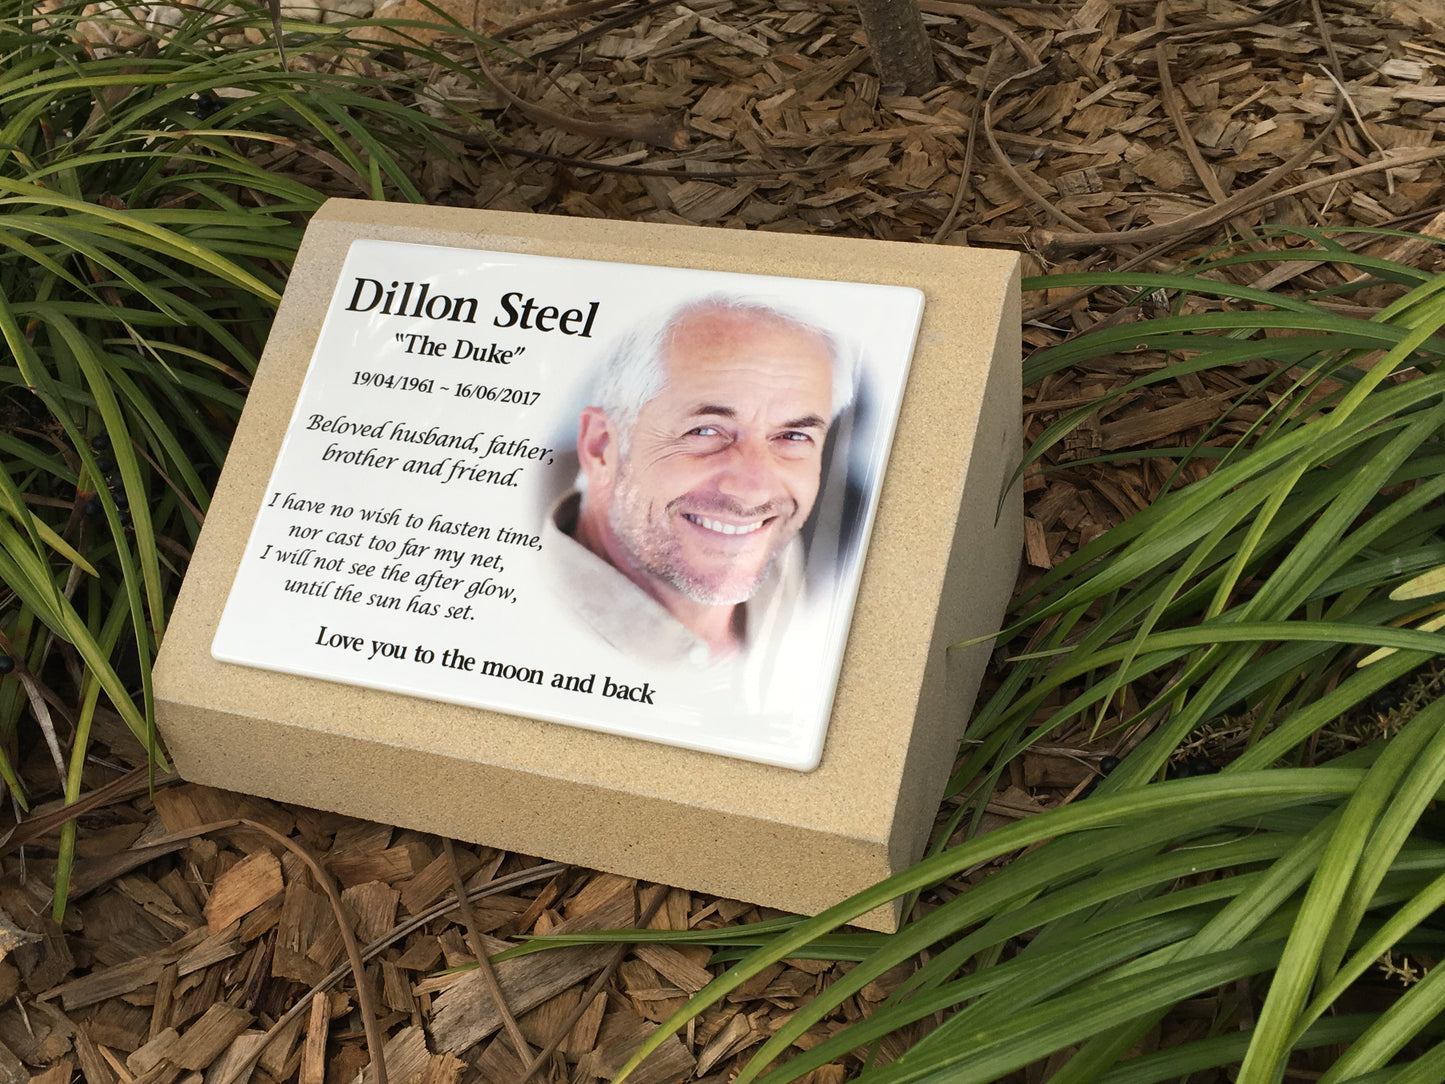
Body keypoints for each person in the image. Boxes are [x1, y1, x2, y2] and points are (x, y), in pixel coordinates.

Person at [544, 295, 855, 668]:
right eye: (705, 430)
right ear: (601, 446)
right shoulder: (532, 628)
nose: (753, 490)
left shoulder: (775, 552)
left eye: (793, 437)